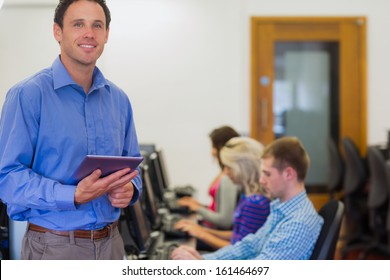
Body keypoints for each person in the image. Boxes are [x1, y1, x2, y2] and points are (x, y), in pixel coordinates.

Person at [0, 0, 142, 260]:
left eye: (97, 25)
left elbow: (133, 168)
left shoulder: (119, 99)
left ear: (106, 34)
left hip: (113, 244)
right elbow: (7, 178)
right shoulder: (28, 95)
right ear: (57, 32)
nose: (89, 33)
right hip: (54, 247)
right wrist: (73, 195)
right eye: (78, 24)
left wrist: (130, 188)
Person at [171, 136, 324, 260]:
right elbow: (250, 245)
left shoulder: (298, 223)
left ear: (289, 174)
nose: (262, 180)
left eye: (267, 174)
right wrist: (205, 260)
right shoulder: (281, 208)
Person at [174, 137, 271, 250]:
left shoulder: (255, 203)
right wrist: (201, 230)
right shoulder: (249, 195)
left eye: (229, 167)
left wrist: (201, 234)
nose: (225, 172)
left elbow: (240, 250)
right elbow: (238, 235)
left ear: (243, 168)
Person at [177, 125, 240, 230]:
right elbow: (219, 210)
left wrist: (197, 208)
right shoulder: (224, 173)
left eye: (214, 147)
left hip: (216, 232)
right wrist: (199, 205)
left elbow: (225, 221)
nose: (212, 152)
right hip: (212, 228)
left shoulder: (229, 178)